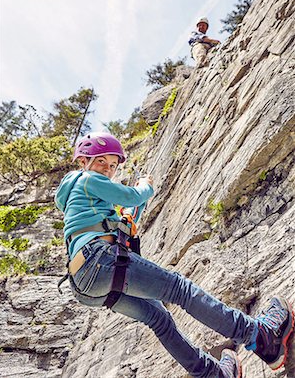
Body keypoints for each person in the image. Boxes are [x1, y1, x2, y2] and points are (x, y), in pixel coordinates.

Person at [55, 132, 294, 378]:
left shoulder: (81, 203)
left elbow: (123, 224)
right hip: (100, 260)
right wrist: (145, 187)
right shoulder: (84, 180)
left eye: (113, 165)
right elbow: (131, 196)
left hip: (85, 284)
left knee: (158, 319)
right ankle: (260, 336)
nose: (107, 169)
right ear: (83, 162)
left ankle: (213, 374)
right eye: (100, 161)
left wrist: (134, 210)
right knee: (180, 289)